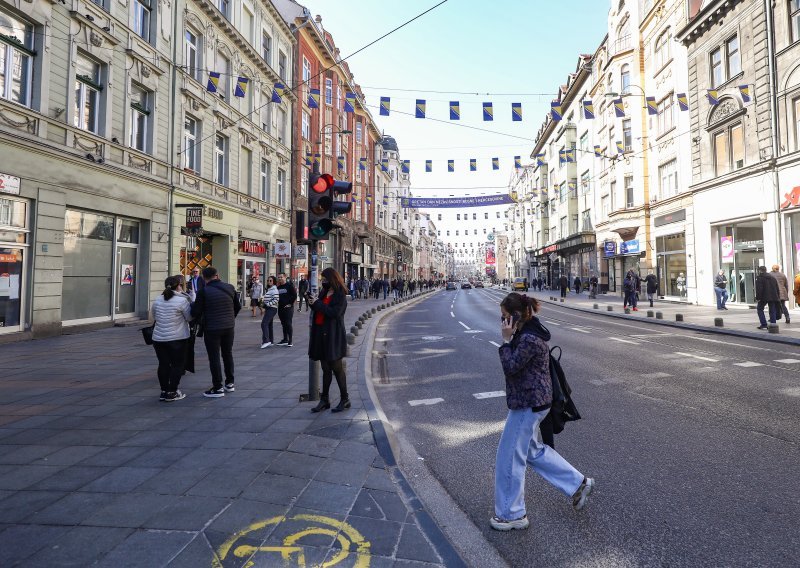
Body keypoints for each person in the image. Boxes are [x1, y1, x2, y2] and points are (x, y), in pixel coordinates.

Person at [491, 292, 594, 531]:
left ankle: (511, 513)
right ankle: (578, 483)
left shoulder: (528, 339)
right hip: (532, 401)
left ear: (516, 317)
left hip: (529, 403)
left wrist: (506, 341)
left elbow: (511, 367)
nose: (502, 322)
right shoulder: (530, 332)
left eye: (505, 317)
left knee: (509, 456)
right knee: (531, 451)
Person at [191, 266, 240, 397]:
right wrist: (231, 317)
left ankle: (218, 387)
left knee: (214, 357)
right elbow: (238, 306)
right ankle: (230, 383)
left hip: (212, 328)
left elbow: (195, 312)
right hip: (229, 327)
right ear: (217, 275)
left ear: (203, 277)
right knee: (227, 354)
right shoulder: (230, 287)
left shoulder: (203, 291)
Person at [309, 267, 350, 413]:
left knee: (337, 369)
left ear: (332, 279)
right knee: (325, 368)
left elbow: (335, 313)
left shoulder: (340, 295)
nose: (323, 281)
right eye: (322, 279)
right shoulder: (324, 292)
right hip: (320, 334)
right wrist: (312, 302)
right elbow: (319, 309)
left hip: (333, 336)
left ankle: (345, 399)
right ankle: (324, 400)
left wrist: (318, 304)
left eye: (325, 279)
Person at [151, 275, 192, 401]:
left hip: (159, 338)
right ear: (178, 286)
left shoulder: (157, 300)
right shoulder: (182, 301)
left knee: (163, 364)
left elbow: (154, 316)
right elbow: (189, 317)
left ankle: (164, 390)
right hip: (177, 338)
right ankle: (172, 391)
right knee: (177, 365)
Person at [755, 265, 780, 330]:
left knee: (759, 308)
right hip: (773, 296)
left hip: (764, 297)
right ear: (766, 270)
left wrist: (758, 298)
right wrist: (777, 296)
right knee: (772, 310)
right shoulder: (772, 278)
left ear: (760, 271)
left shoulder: (760, 278)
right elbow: (777, 288)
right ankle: (773, 324)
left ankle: (763, 324)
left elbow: (759, 289)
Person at [276, 273, 297, 346]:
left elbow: (294, 295)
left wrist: (290, 304)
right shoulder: (278, 287)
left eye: (281, 277)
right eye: (278, 277)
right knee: (283, 324)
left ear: (285, 277)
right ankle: (285, 339)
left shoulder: (289, 286)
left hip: (288, 308)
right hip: (280, 308)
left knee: (288, 323)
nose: (280, 278)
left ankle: (290, 340)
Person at [260, 276, 279, 348]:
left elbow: (276, 300)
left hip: (271, 308)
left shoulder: (274, 290)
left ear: (274, 281)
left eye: (270, 280)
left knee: (264, 324)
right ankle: (270, 341)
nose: (269, 282)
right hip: (269, 308)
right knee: (269, 324)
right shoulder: (270, 289)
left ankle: (266, 341)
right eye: (268, 280)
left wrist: (267, 305)